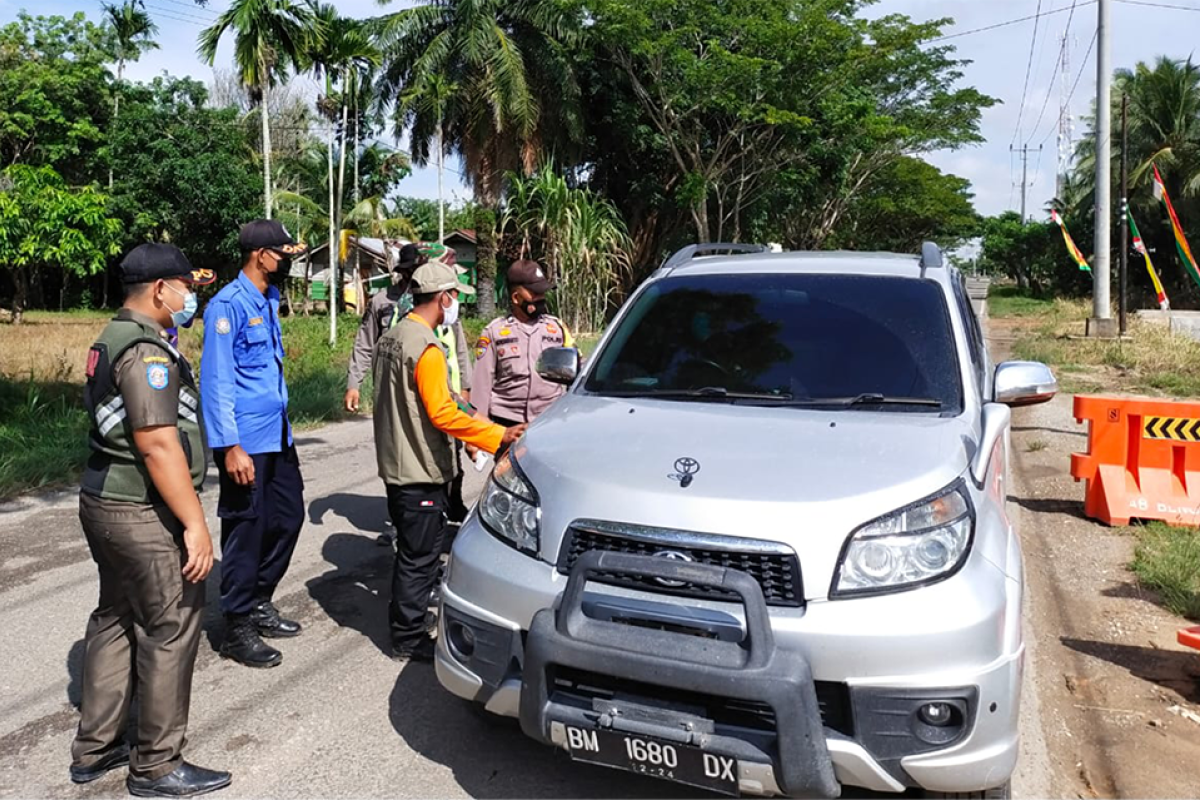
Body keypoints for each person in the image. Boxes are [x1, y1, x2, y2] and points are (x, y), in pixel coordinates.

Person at [73, 243, 231, 797]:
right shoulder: (146, 354)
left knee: (114, 617)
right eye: (186, 286)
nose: (190, 296)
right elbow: (159, 444)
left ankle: (96, 746)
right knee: (171, 626)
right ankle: (157, 764)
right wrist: (195, 524)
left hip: (103, 502)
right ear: (161, 289)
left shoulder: (112, 336)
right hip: (139, 509)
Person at [372, 260, 526, 662]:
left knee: (411, 550)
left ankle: (404, 623)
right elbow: (440, 413)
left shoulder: (393, 336)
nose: (455, 303)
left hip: (396, 464)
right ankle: (407, 636)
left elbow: (435, 398)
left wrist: (473, 417)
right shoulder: (425, 346)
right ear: (443, 298)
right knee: (419, 558)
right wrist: (495, 436)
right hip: (419, 468)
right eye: (455, 296)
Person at [199, 220, 308, 669]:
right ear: (260, 255)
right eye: (282, 255)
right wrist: (228, 447)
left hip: (276, 433)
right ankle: (237, 624)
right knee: (247, 530)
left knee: (288, 516)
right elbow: (217, 380)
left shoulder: (268, 297)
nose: (286, 262)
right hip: (245, 442)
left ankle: (260, 597)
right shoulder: (228, 306)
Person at [344, 245, 474, 542]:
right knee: (408, 459)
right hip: (403, 396)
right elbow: (365, 343)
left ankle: (448, 508)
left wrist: (465, 388)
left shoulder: (440, 301)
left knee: (449, 456)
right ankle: (408, 525)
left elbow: (460, 348)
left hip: (446, 390)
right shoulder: (383, 302)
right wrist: (354, 382)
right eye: (409, 272)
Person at [471, 259, 575, 426]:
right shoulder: (494, 332)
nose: (541, 298)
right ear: (516, 298)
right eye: (535, 294)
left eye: (542, 293)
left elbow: (575, 373)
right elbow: (481, 385)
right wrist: (477, 431)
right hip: (506, 422)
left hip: (549, 418)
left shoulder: (557, 329)